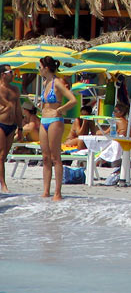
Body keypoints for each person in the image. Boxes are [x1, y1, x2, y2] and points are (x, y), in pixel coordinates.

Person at [38, 56, 77, 201]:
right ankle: (46, 190)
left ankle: (57, 192)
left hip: (55, 119)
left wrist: (60, 109)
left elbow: (73, 100)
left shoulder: (58, 83)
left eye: (40, 67)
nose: (39, 69)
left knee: (55, 157)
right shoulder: (45, 82)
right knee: (45, 157)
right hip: (44, 119)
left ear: (46, 68)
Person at [0, 65, 22, 193]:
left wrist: (20, 127)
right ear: (3, 74)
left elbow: (18, 109)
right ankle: (3, 184)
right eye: (11, 72)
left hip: (12, 125)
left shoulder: (15, 89)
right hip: (1, 123)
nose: (13, 74)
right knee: (1, 155)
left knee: (4, 155)